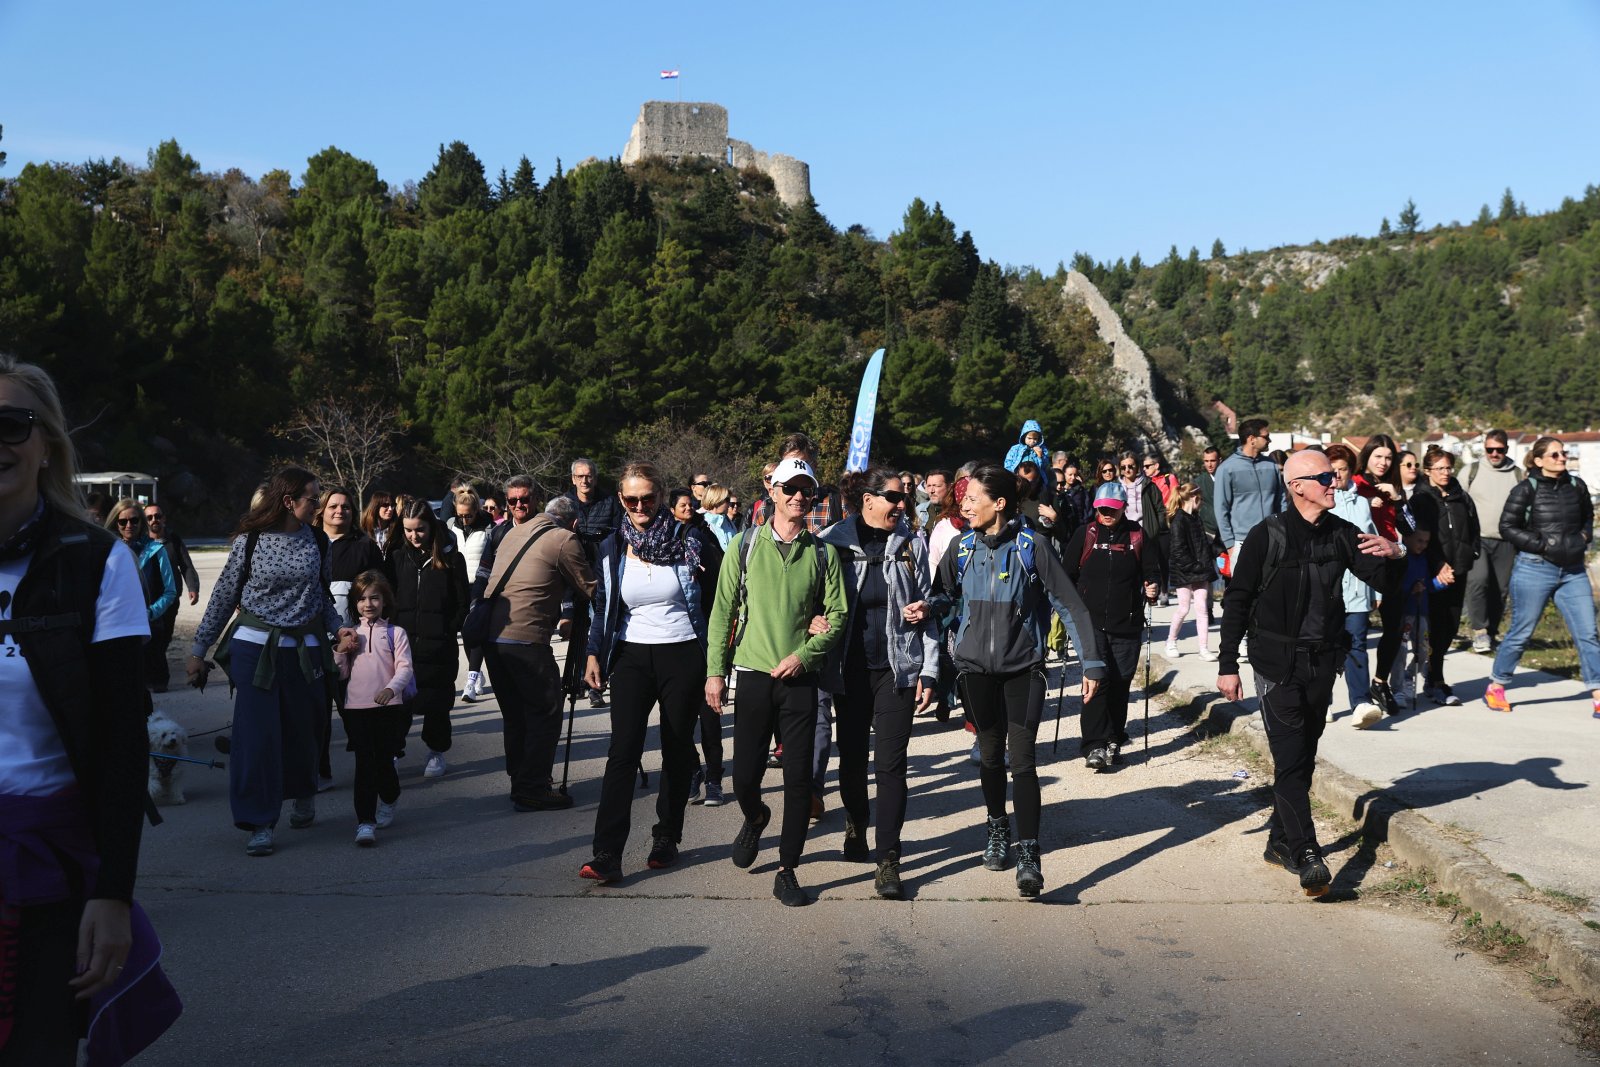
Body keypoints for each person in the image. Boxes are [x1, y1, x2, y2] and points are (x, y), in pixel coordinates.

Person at [0, 357, 181, 1064]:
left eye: (12, 426)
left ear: (46, 442)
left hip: (47, 871)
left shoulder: (97, 562)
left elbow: (119, 742)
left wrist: (113, 894)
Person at [1217, 450, 1404, 897]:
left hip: (1323, 662)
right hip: (1276, 663)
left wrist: (1395, 552)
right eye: (1325, 477)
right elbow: (1237, 601)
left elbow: (1389, 583)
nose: (1334, 483)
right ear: (1298, 486)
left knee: (1302, 755)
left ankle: (1279, 842)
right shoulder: (1267, 536)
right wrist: (1227, 665)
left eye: (1334, 476)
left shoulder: (1343, 533)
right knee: (1290, 758)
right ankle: (1306, 852)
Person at [929, 464, 1103, 897]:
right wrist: (925, 609)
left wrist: (1092, 665)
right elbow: (943, 597)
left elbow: (1071, 606)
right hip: (974, 672)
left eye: (972, 497)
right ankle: (997, 829)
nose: (964, 503)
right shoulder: (960, 548)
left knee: (1022, 762)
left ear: (998, 503)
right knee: (990, 759)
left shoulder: (1033, 546)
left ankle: (1030, 854)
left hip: (1024, 670)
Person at [187, 468, 357, 856]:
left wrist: (339, 630)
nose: (319, 506)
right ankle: (259, 821)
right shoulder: (249, 543)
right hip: (254, 649)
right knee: (256, 737)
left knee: (305, 728)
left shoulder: (317, 540)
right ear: (288, 501)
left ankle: (303, 791)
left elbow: (320, 596)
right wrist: (198, 650)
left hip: (305, 649)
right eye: (313, 499)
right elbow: (223, 597)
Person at [704, 457, 848, 908]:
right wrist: (715, 671)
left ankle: (788, 868)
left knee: (799, 780)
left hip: (801, 681)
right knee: (744, 778)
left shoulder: (824, 552)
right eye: (790, 489)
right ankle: (755, 815)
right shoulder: (745, 545)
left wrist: (805, 656)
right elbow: (722, 612)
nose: (798, 497)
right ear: (773, 491)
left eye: (806, 490)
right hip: (750, 675)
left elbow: (839, 615)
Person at [580, 463, 722, 882]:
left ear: (661, 497)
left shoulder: (692, 540)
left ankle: (666, 837)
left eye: (648, 498)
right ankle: (606, 853)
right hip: (630, 656)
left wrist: (718, 662)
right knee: (622, 751)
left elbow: (719, 598)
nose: (640, 506)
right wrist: (593, 652)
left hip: (682, 652)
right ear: (621, 500)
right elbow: (603, 604)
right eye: (631, 499)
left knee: (677, 747)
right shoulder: (611, 545)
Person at [817, 467, 938, 899]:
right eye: (893, 497)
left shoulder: (912, 545)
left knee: (890, 765)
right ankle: (855, 821)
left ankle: (888, 858)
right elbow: (814, 600)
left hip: (896, 668)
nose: (901, 504)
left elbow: (932, 606)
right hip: (848, 670)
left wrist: (930, 669)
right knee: (850, 761)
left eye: (904, 497)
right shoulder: (831, 542)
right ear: (867, 500)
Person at [480, 485, 596, 811]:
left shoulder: (513, 534)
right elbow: (589, 589)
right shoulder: (564, 539)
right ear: (573, 524)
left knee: (516, 715)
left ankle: (521, 779)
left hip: (493, 639)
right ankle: (533, 788)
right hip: (527, 640)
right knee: (546, 711)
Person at [1485, 437, 1600, 716]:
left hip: (1572, 571)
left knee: (1588, 633)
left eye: (1563, 453)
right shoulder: (1525, 489)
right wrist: (1543, 544)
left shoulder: (1577, 486)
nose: (1562, 457)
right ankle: (1496, 686)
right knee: (1521, 632)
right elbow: (1507, 527)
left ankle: (1598, 692)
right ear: (1538, 461)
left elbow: (1588, 517)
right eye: (1555, 454)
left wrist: (1583, 537)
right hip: (1534, 567)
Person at [1062, 482, 1158, 770]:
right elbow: (1066, 573)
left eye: (1112, 510)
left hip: (1127, 624)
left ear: (1123, 508)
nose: (1106, 514)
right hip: (1090, 623)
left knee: (1120, 682)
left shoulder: (1138, 536)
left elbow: (1152, 571)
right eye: (1102, 509)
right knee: (1096, 681)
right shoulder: (1086, 534)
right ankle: (1094, 744)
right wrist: (1071, 605)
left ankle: (1114, 737)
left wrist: (1152, 587)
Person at [387, 500, 469, 778]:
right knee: (398, 706)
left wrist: (448, 629)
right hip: (402, 645)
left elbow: (462, 601)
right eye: (408, 530)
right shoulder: (397, 556)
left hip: (439, 647)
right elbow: (388, 596)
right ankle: (393, 752)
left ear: (430, 527)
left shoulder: (450, 559)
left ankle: (436, 751)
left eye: (419, 530)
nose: (413, 536)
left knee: (437, 705)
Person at [334, 570, 414, 847]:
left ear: (385, 601)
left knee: (384, 763)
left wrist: (391, 689)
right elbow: (342, 675)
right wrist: (340, 651)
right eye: (362, 599)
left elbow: (405, 668)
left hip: (388, 707)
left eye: (374, 598)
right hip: (356, 708)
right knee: (364, 765)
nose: (368, 604)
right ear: (354, 603)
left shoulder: (396, 633)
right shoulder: (350, 634)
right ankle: (365, 823)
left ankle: (390, 798)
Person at [313, 485, 385, 787]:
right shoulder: (309, 541)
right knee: (317, 712)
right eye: (333, 506)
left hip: (354, 642)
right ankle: (320, 771)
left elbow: (380, 588)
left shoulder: (364, 545)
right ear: (322, 510)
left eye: (345, 507)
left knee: (354, 708)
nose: (339, 511)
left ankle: (369, 768)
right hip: (313, 640)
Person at [1410, 447, 1479, 706]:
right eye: (1439, 468)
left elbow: (1473, 527)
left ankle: (1432, 675)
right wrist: (1439, 565)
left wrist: (1472, 553)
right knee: (1434, 627)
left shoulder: (1460, 496)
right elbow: (1421, 538)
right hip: (1433, 572)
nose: (1445, 473)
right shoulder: (1421, 499)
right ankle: (1436, 680)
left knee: (1450, 625)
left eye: (1448, 467)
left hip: (1459, 570)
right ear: (1427, 471)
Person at [1325, 445, 1383, 728]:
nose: (1337, 475)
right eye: (1332, 470)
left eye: (1343, 469)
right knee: (1323, 644)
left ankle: (1361, 703)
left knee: (1357, 644)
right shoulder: (1319, 502)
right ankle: (1322, 700)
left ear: (1351, 471)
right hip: (1326, 587)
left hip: (1358, 588)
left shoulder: (1361, 504)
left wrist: (1379, 589)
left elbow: (1373, 546)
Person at [1354, 434, 1408, 714]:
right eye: (1378, 456)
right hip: (1362, 562)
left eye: (1388, 458)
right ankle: (1358, 695)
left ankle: (1380, 681)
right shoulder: (1355, 484)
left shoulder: (1394, 488)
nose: (1384, 462)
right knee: (1357, 630)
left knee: (1394, 628)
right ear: (1368, 456)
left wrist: (1398, 500)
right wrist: (1367, 502)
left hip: (1393, 561)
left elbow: (1409, 528)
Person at [563, 459, 623, 707]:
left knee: (599, 629)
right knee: (577, 630)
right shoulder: (565, 504)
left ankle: (596, 685)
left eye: (589, 476)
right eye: (580, 476)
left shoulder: (610, 502)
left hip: (601, 574)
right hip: (573, 573)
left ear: (595, 478)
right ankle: (575, 679)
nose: (584, 481)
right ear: (573, 479)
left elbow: (619, 535)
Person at [105, 499, 179, 693]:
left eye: (134, 520)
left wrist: (150, 613)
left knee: (156, 685)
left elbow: (170, 590)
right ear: (116, 523)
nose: (129, 525)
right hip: (118, 627)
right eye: (123, 521)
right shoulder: (106, 551)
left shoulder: (156, 550)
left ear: (141, 522)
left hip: (150, 626)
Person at [1464, 430, 1525, 653]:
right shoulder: (1471, 471)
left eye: (1499, 450)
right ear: (1485, 449)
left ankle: (1491, 633)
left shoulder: (1517, 474)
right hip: (1477, 539)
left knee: (1500, 589)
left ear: (1507, 450)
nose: (1494, 454)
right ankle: (1479, 630)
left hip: (1507, 541)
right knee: (1477, 582)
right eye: (1490, 449)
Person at [1214, 419, 1285, 573]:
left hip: (1272, 540)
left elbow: (1282, 502)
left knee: (1272, 594)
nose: (1269, 440)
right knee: (1245, 595)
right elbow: (1221, 509)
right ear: (1252, 439)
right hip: (1241, 543)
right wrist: (1230, 545)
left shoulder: (1271, 466)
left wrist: (1282, 534)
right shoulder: (1227, 469)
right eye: (1266, 436)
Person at [142, 501, 199, 692]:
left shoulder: (173, 540)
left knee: (164, 638)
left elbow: (186, 565)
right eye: (149, 517)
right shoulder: (142, 543)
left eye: (157, 516)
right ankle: (155, 679)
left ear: (164, 519)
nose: (154, 520)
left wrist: (193, 587)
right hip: (148, 602)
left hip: (170, 601)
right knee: (151, 640)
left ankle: (155, 675)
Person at [447, 487, 495, 703]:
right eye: (461, 516)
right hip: (457, 586)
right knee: (466, 633)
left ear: (477, 510)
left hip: (480, 586)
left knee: (473, 632)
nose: (464, 519)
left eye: (469, 515)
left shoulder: (489, 528)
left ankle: (471, 680)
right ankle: (477, 673)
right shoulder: (449, 527)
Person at [1164, 483, 1217, 660]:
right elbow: (1178, 550)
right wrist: (1195, 567)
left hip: (1200, 570)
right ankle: (1171, 641)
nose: (1202, 504)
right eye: (1201, 499)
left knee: (1202, 608)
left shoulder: (1196, 518)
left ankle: (1203, 648)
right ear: (1195, 498)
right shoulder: (1178, 520)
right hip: (1185, 571)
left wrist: (1212, 552)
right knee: (1184, 608)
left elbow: (1201, 544)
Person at [751, 434, 843, 531]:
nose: (795, 469)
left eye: (800, 464)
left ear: (814, 466)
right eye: (787, 464)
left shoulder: (837, 504)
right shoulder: (766, 509)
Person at [1004, 419, 1052, 494]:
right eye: (1029, 438)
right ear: (1024, 437)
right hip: (1017, 479)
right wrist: (1012, 474)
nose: (1032, 441)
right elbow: (1008, 462)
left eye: (1035, 439)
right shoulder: (1016, 448)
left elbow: (1045, 466)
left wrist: (1040, 456)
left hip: (1035, 482)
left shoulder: (1042, 449)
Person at [700, 483, 737, 549]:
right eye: (727, 500)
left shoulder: (728, 522)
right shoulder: (702, 523)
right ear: (717, 501)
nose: (729, 504)